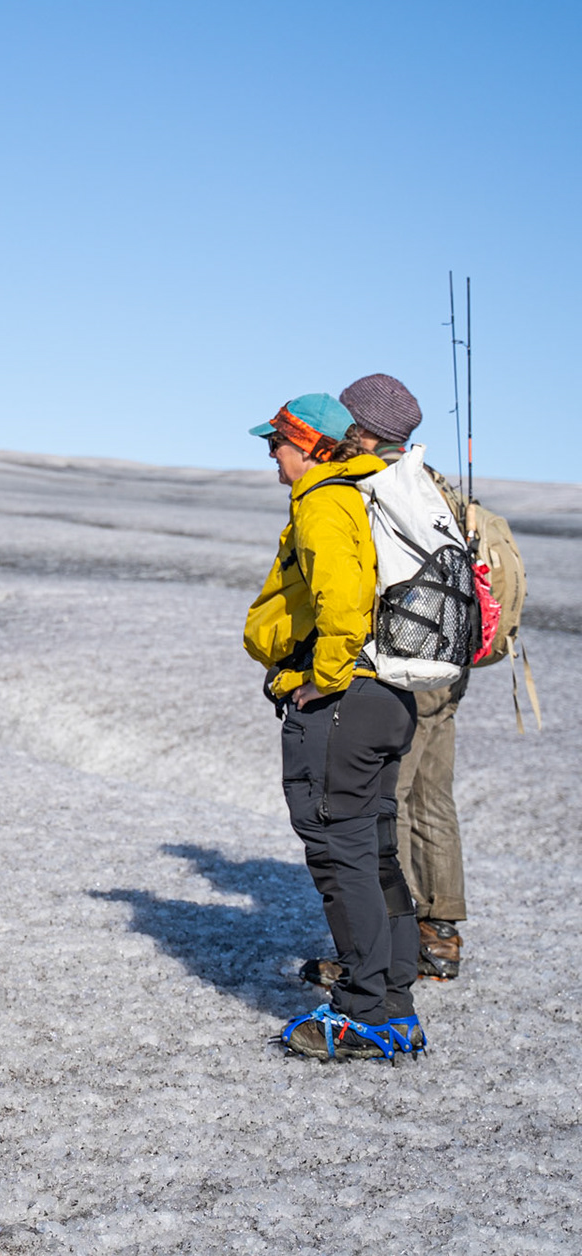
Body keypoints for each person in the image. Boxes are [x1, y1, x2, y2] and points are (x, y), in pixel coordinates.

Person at [243, 392, 426, 1061]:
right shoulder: (370, 492)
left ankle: (363, 1012)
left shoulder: (326, 498)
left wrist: (324, 678)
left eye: (277, 444)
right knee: (373, 851)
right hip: (389, 697)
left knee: (338, 853)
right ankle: (394, 1003)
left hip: (346, 701)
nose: (272, 458)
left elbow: (342, 599)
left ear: (312, 444)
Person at [337, 373, 471, 981]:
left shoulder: (380, 485)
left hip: (403, 661)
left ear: (365, 428)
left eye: (348, 421)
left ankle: (384, 955)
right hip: (447, 660)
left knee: (383, 804)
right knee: (432, 797)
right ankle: (439, 935)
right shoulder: (432, 483)